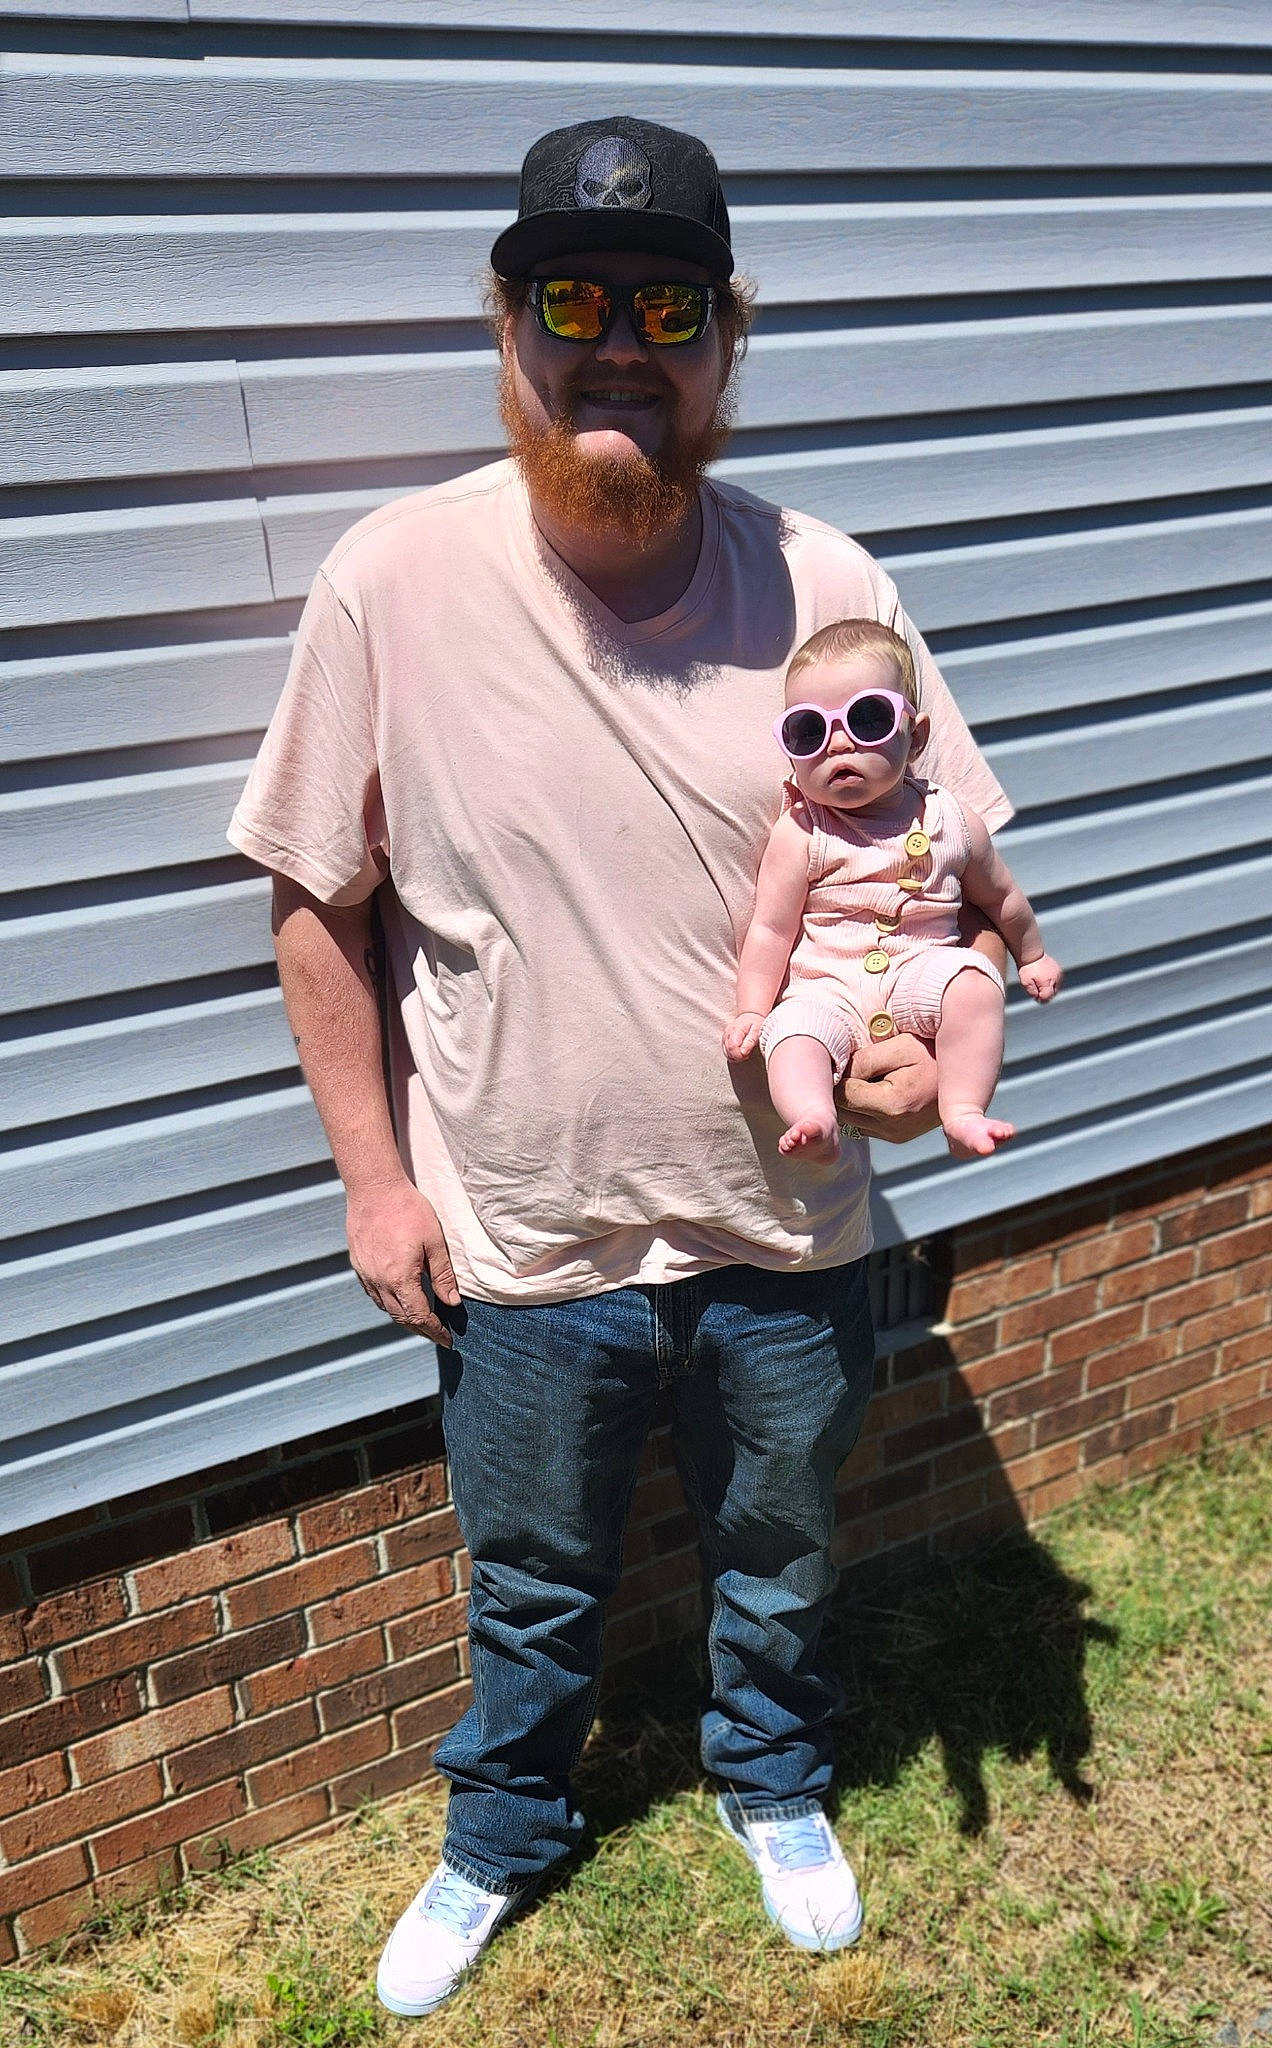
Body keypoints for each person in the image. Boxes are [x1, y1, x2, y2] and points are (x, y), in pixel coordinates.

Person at [227, 115, 1015, 2017]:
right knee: (533, 1579)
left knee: (779, 1548)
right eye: (572, 298)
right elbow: (318, 897)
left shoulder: (826, 578)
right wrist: (372, 1175)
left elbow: (959, 882)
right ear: (505, 324)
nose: (619, 346)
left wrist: (919, 1052)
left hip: (793, 1219)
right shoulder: (392, 579)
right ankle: (500, 1827)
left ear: (727, 337)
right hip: (527, 1233)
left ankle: (770, 1777)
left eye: (668, 307)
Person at [725, 617, 1061, 1164]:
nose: (837, 743)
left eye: (868, 720)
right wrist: (753, 1010)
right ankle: (814, 1115)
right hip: (826, 986)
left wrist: (1032, 954)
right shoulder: (802, 830)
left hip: (917, 969)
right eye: (809, 730)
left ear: (917, 735)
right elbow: (770, 928)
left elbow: (1000, 897)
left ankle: (962, 1111)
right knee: (792, 1036)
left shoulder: (952, 819)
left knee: (974, 984)